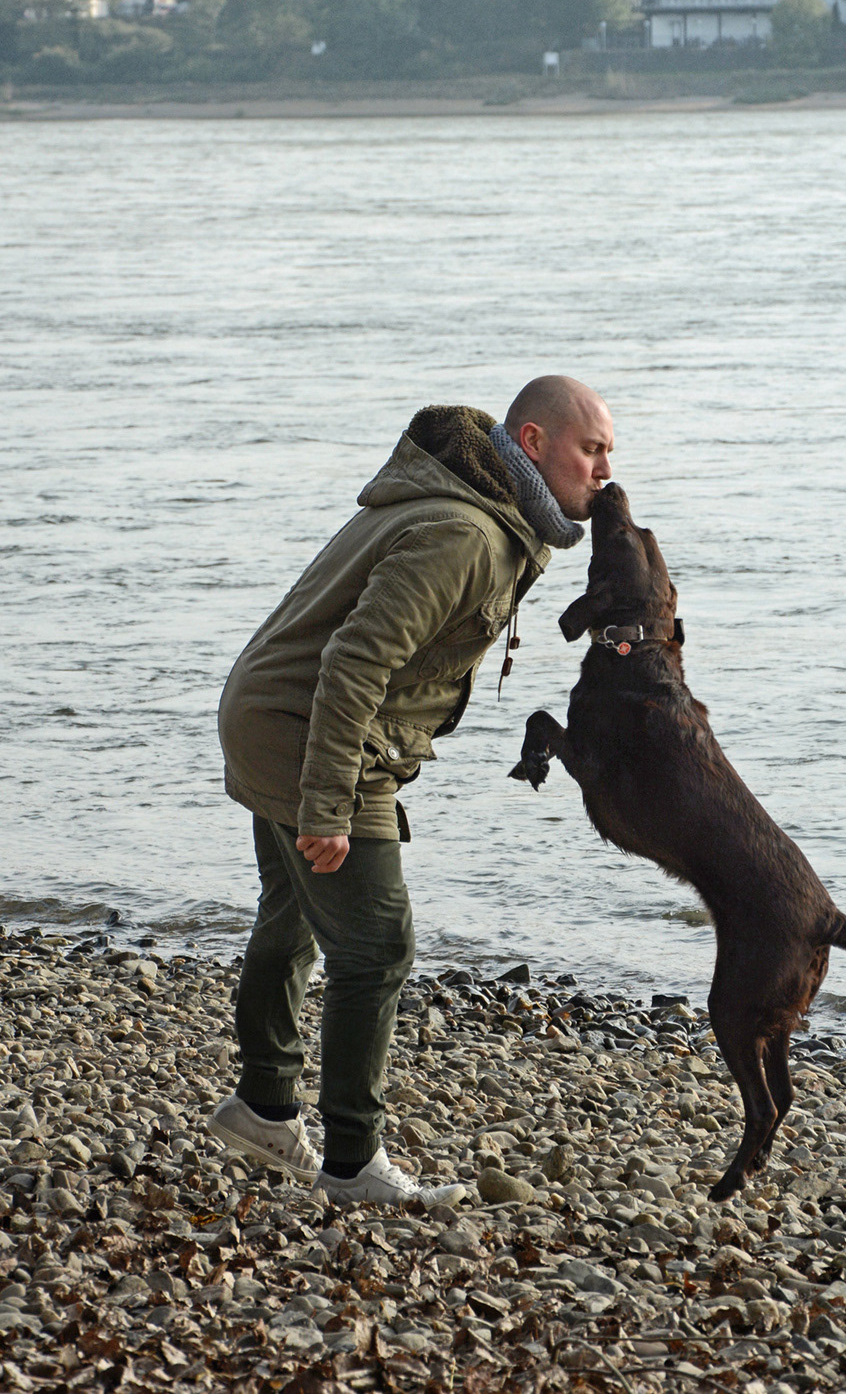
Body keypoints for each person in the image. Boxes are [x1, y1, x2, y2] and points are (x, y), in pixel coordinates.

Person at [207, 378, 613, 1204]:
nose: (605, 469)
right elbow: (353, 664)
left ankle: (263, 1108)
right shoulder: (466, 533)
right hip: (308, 731)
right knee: (379, 947)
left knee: (292, 915)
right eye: (592, 448)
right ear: (532, 443)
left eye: (609, 452)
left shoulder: (469, 503)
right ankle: (354, 1166)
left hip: (272, 711)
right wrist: (327, 804)